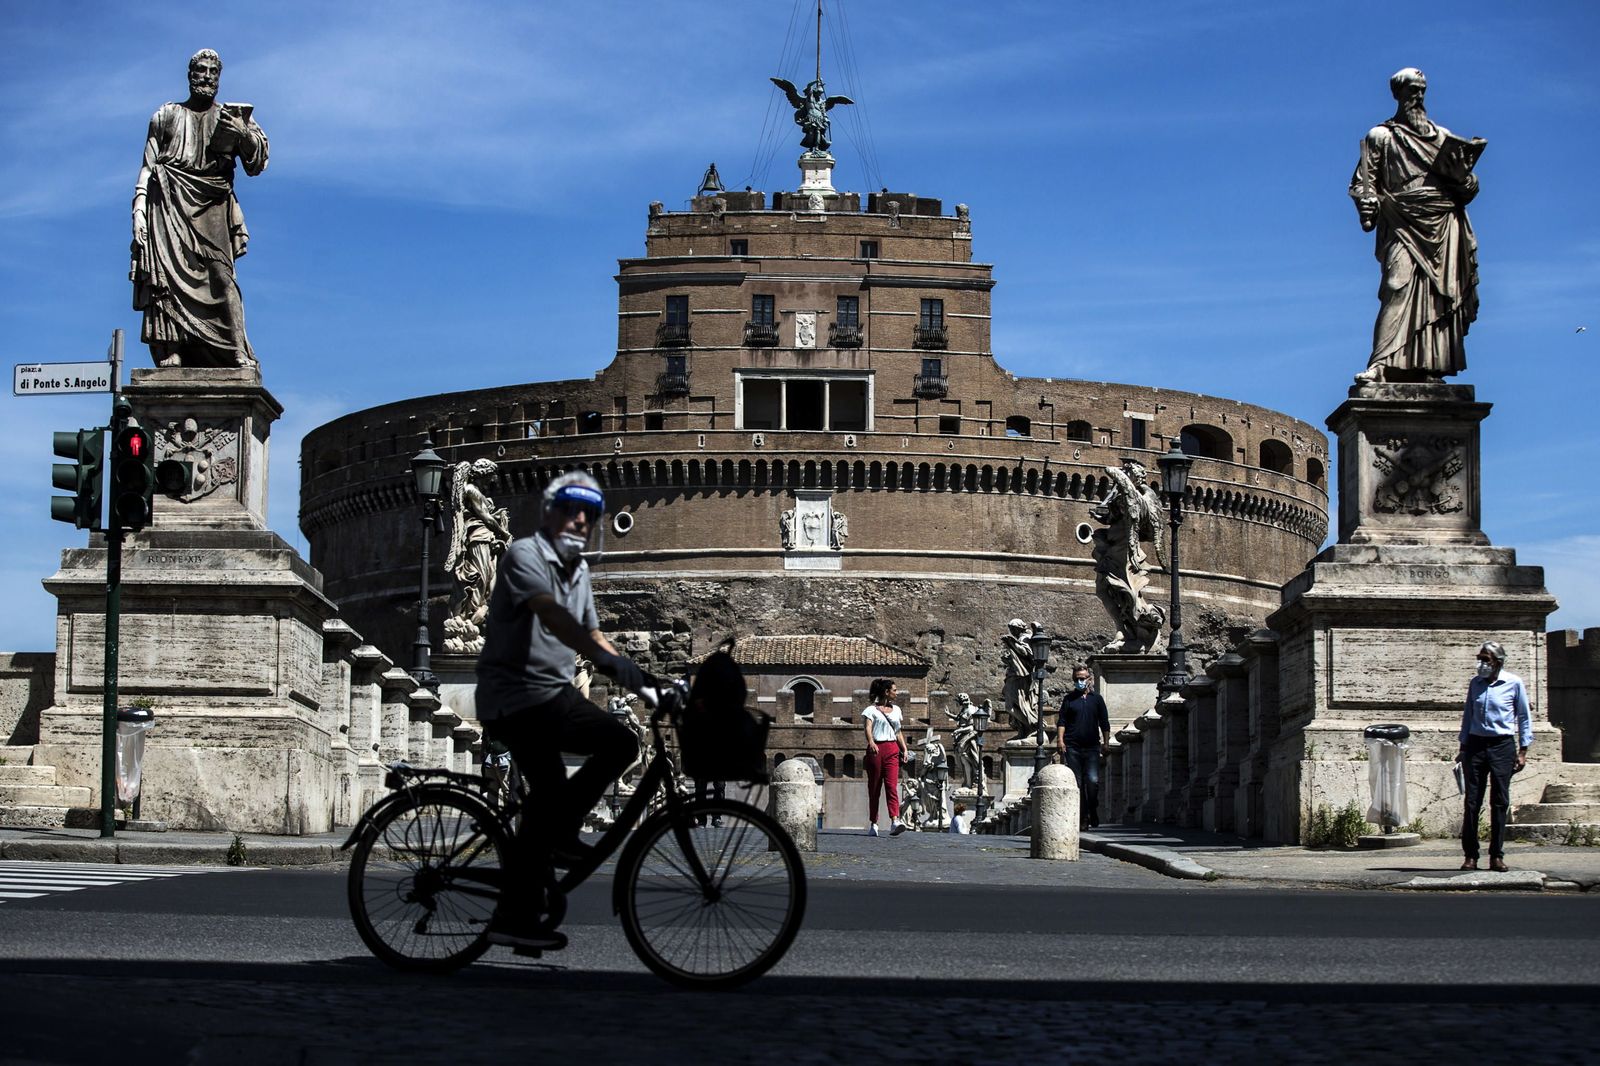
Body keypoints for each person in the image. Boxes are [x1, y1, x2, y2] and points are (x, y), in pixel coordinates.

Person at [475, 470, 657, 951]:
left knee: (613, 747)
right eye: (570, 510)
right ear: (548, 513)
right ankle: (514, 912)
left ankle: (551, 845)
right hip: (514, 696)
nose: (579, 519)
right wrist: (600, 657)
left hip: (553, 695)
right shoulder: (524, 556)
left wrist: (647, 683)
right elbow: (550, 615)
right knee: (564, 781)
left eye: (589, 514)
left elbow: (594, 635)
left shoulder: (578, 572)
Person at [131, 49, 269, 368]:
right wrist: (138, 209)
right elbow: (148, 166)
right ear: (190, 74)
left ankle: (236, 348)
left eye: (212, 72)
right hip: (167, 204)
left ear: (219, 78)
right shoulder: (165, 116)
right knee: (167, 274)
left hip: (213, 206)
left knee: (222, 277)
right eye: (200, 70)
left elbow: (257, 161)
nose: (206, 76)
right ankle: (172, 346)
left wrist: (242, 134)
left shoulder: (230, 117)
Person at [1349, 68, 1484, 385]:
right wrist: (1367, 202)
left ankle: (1429, 365)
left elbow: (1468, 188)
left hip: (1442, 221)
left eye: (1422, 89)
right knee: (1398, 285)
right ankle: (1381, 363)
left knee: (1438, 296)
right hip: (1402, 219)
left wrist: (1464, 176)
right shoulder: (1381, 136)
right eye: (1411, 89)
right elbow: (1362, 183)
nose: (1417, 96)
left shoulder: (1443, 137)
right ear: (1397, 93)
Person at [1457, 641, 1531, 872]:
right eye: (1479, 659)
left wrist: (1523, 750)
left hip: (1502, 745)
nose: (1481, 664)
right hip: (1476, 745)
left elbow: (1524, 717)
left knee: (1499, 801)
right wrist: (1463, 747)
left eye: (1486, 660)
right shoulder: (1475, 684)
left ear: (1497, 662)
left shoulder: (1513, 683)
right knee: (1472, 801)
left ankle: (1496, 856)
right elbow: (1468, 715)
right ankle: (1470, 855)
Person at [1055, 663, 1111, 828]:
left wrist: (1106, 743)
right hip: (1073, 747)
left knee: (1092, 781)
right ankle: (1084, 817)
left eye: (1082, 678)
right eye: (1076, 679)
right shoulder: (1069, 699)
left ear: (1089, 679)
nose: (1079, 681)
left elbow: (1104, 722)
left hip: (1092, 747)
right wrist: (1060, 740)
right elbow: (1062, 721)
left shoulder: (1097, 700)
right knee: (1077, 784)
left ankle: (1093, 809)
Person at [862, 678, 909, 837]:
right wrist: (871, 742)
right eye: (894, 690)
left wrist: (905, 748)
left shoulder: (897, 710)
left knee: (891, 786)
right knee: (874, 788)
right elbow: (868, 728)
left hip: (892, 750)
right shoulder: (871, 710)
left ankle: (894, 821)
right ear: (886, 692)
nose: (897, 693)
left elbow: (898, 732)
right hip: (876, 750)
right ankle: (874, 823)